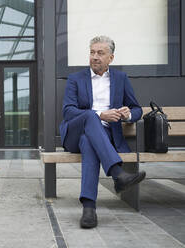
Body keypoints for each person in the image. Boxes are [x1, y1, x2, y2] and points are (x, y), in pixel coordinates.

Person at [59, 35, 146, 228]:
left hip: (103, 136)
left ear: (111, 58)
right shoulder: (76, 79)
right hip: (73, 132)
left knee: (89, 142)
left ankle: (89, 209)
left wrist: (127, 114)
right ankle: (117, 173)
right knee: (91, 116)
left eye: (100, 53)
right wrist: (100, 115)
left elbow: (137, 109)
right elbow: (67, 111)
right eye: (92, 52)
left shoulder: (120, 79)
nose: (95, 57)